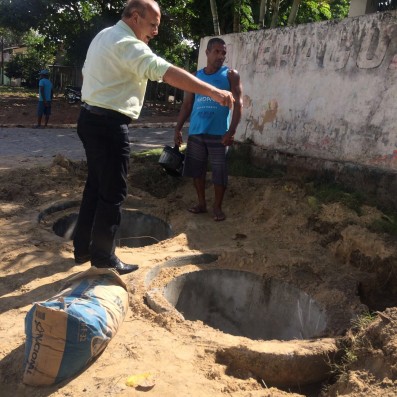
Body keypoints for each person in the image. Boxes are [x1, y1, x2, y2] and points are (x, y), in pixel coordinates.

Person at [73, 0, 234, 275]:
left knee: (95, 187)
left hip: (89, 119)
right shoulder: (128, 44)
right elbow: (167, 72)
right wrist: (213, 92)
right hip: (109, 125)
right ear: (135, 17)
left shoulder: (105, 35)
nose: (155, 32)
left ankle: (84, 247)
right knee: (113, 193)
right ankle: (103, 258)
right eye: (153, 25)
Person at [174, 38, 243, 222]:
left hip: (219, 133)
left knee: (219, 171)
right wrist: (178, 128)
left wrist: (232, 131)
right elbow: (187, 104)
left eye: (223, 53)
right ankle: (201, 203)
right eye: (217, 52)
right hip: (197, 131)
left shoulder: (230, 75)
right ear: (207, 52)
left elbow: (239, 104)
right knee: (197, 170)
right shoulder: (195, 76)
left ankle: (217, 207)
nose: (220, 56)